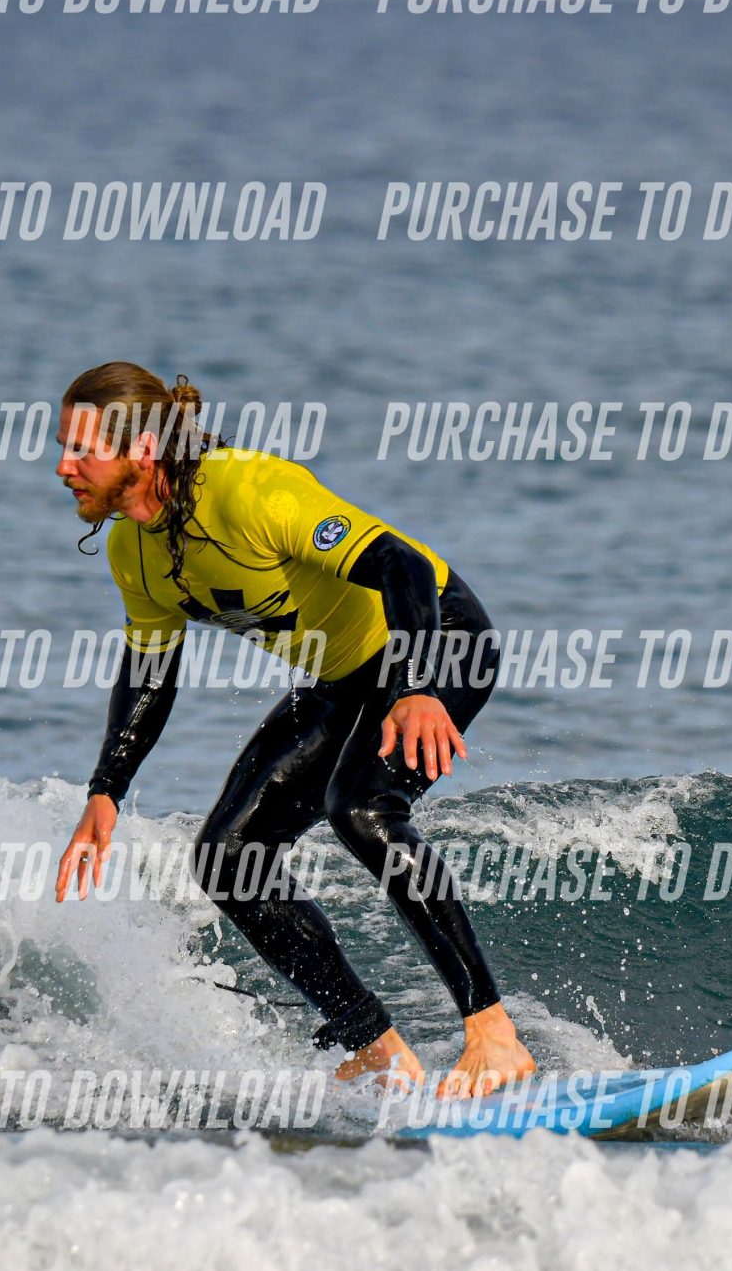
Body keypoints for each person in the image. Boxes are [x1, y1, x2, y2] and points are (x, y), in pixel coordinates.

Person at [48, 362, 535, 1098]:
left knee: (362, 809)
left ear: (142, 450)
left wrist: (414, 688)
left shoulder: (252, 491)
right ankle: (376, 1046)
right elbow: (150, 670)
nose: (64, 467)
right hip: (345, 674)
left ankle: (493, 1032)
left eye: (82, 449)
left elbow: (399, 562)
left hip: (439, 638)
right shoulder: (132, 551)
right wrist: (106, 789)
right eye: (64, 447)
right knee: (228, 856)